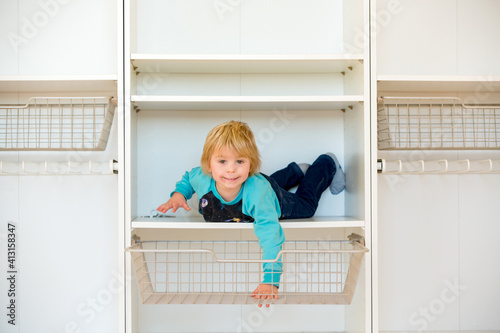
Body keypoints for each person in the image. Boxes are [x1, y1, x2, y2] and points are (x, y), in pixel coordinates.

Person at [156, 120, 345, 306]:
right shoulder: (202, 177)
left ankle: (325, 163)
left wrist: (270, 280)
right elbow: (188, 178)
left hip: (275, 199)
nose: (230, 169)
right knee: (259, 182)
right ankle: (295, 172)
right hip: (259, 185)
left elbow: (270, 235)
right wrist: (179, 195)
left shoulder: (258, 194)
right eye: (222, 161)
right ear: (208, 165)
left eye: (240, 161)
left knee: (306, 206)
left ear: (251, 164)